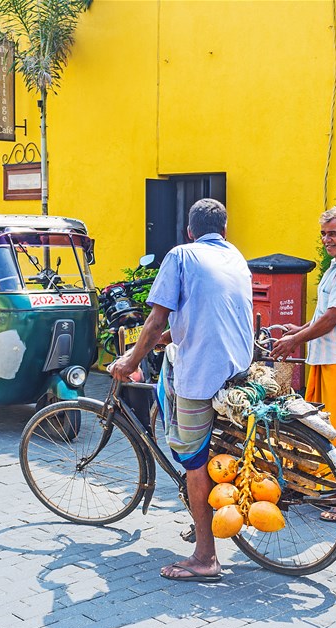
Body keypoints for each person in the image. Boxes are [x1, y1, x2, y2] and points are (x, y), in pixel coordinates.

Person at [110, 198, 253, 582]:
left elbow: (156, 319)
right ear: (224, 230)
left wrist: (131, 360)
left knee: (191, 460)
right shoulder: (236, 257)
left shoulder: (181, 255)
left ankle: (205, 557)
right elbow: (205, 314)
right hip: (238, 365)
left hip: (204, 373)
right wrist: (167, 339)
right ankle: (201, 513)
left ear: (189, 231)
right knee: (203, 446)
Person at [269, 206, 336, 521]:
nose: (328, 239)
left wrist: (295, 341)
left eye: (334, 233)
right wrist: (299, 330)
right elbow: (326, 316)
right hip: (335, 357)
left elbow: (332, 318)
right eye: (324, 234)